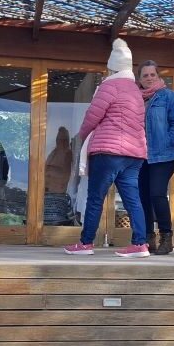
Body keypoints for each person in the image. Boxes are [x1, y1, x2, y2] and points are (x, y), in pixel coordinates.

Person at [63, 39, 149, 257]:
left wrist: (82, 136)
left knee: (95, 198)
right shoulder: (136, 91)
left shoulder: (109, 86)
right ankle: (140, 244)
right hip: (134, 154)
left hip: (108, 152)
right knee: (133, 199)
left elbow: (93, 116)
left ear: (113, 67)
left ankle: (86, 243)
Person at [138, 60, 174, 255]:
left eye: (152, 74)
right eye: (145, 75)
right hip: (140, 155)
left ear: (158, 76)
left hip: (163, 156)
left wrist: (164, 142)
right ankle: (148, 237)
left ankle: (166, 236)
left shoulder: (169, 97)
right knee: (143, 197)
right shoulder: (135, 98)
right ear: (139, 79)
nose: (149, 78)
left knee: (157, 193)